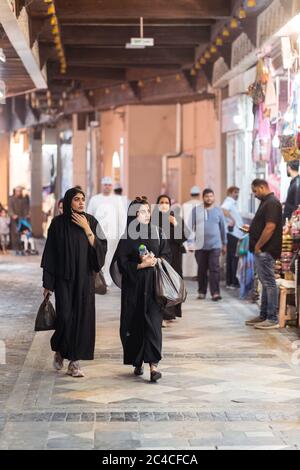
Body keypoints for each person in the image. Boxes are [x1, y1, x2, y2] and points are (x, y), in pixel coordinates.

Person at [41, 188, 107, 378]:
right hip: (64, 281)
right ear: (69, 201)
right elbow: (50, 256)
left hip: (85, 280)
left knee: (82, 319)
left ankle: (75, 362)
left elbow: (101, 249)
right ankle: (61, 350)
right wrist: (48, 284)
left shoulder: (92, 222)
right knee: (65, 318)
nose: (80, 202)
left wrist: (87, 229)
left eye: (83, 199)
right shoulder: (57, 224)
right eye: (76, 199)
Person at [110, 197, 171, 382]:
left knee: (153, 326)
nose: (146, 215)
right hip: (134, 289)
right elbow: (121, 263)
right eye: (142, 211)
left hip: (154, 288)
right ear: (134, 214)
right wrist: (139, 266)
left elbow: (167, 255)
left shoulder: (158, 233)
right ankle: (137, 361)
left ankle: (153, 366)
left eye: (147, 211)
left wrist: (156, 260)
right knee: (134, 325)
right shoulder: (127, 237)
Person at [245, 179, 282, 330]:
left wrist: (259, 246)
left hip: (266, 250)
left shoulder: (272, 203)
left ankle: (272, 318)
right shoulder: (266, 202)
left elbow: (270, 227)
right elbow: (263, 225)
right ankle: (264, 315)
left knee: (269, 283)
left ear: (262, 187)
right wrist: (251, 229)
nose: (254, 194)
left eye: (255, 191)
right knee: (265, 283)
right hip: (262, 250)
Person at [152, 195, 187, 325]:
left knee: (173, 282)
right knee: (161, 283)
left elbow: (182, 239)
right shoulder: (152, 219)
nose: (164, 204)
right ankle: (163, 313)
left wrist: (176, 224)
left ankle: (172, 312)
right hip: (160, 256)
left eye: (167, 202)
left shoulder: (176, 218)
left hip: (175, 256)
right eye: (161, 202)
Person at [88, 177, 127, 286]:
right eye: (105, 184)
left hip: (113, 236)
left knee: (109, 258)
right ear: (102, 185)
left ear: (112, 186)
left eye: (109, 185)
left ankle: (107, 281)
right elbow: (89, 216)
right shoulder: (95, 200)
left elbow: (122, 218)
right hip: (98, 235)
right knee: (99, 257)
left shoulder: (117, 200)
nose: (107, 187)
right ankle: (99, 280)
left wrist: (121, 234)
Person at [193, 189, 227, 301]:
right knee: (202, 270)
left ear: (214, 197)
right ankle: (202, 292)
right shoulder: (196, 210)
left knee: (214, 269)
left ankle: (215, 293)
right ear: (203, 197)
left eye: (211, 196)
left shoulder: (218, 211)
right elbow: (191, 227)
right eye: (207, 196)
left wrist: (224, 243)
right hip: (200, 246)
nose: (209, 198)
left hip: (215, 245)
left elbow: (223, 228)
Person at [221, 187, 244, 289]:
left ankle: (230, 282)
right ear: (230, 193)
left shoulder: (232, 203)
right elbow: (223, 209)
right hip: (233, 234)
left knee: (231, 258)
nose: (237, 195)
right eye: (235, 192)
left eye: (238, 193)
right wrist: (232, 220)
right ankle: (233, 282)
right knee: (234, 258)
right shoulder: (229, 201)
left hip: (234, 234)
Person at [182, 186, 202, 278]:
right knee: (198, 254)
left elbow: (180, 219)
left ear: (190, 195)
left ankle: (187, 273)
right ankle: (198, 274)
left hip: (187, 231)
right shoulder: (202, 204)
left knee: (188, 253)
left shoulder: (185, 205)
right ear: (199, 195)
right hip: (199, 232)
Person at [8, 187, 30, 252]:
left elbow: (26, 208)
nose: (19, 192)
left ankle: (21, 247)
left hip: (22, 218)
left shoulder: (23, 199)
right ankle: (15, 247)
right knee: (15, 233)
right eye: (17, 191)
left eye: (20, 191)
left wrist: (27, 215)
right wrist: (12, 215)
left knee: (22, 232)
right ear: (15, 191)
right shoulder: (11, 199)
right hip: (14, 220)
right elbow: (10, 208)